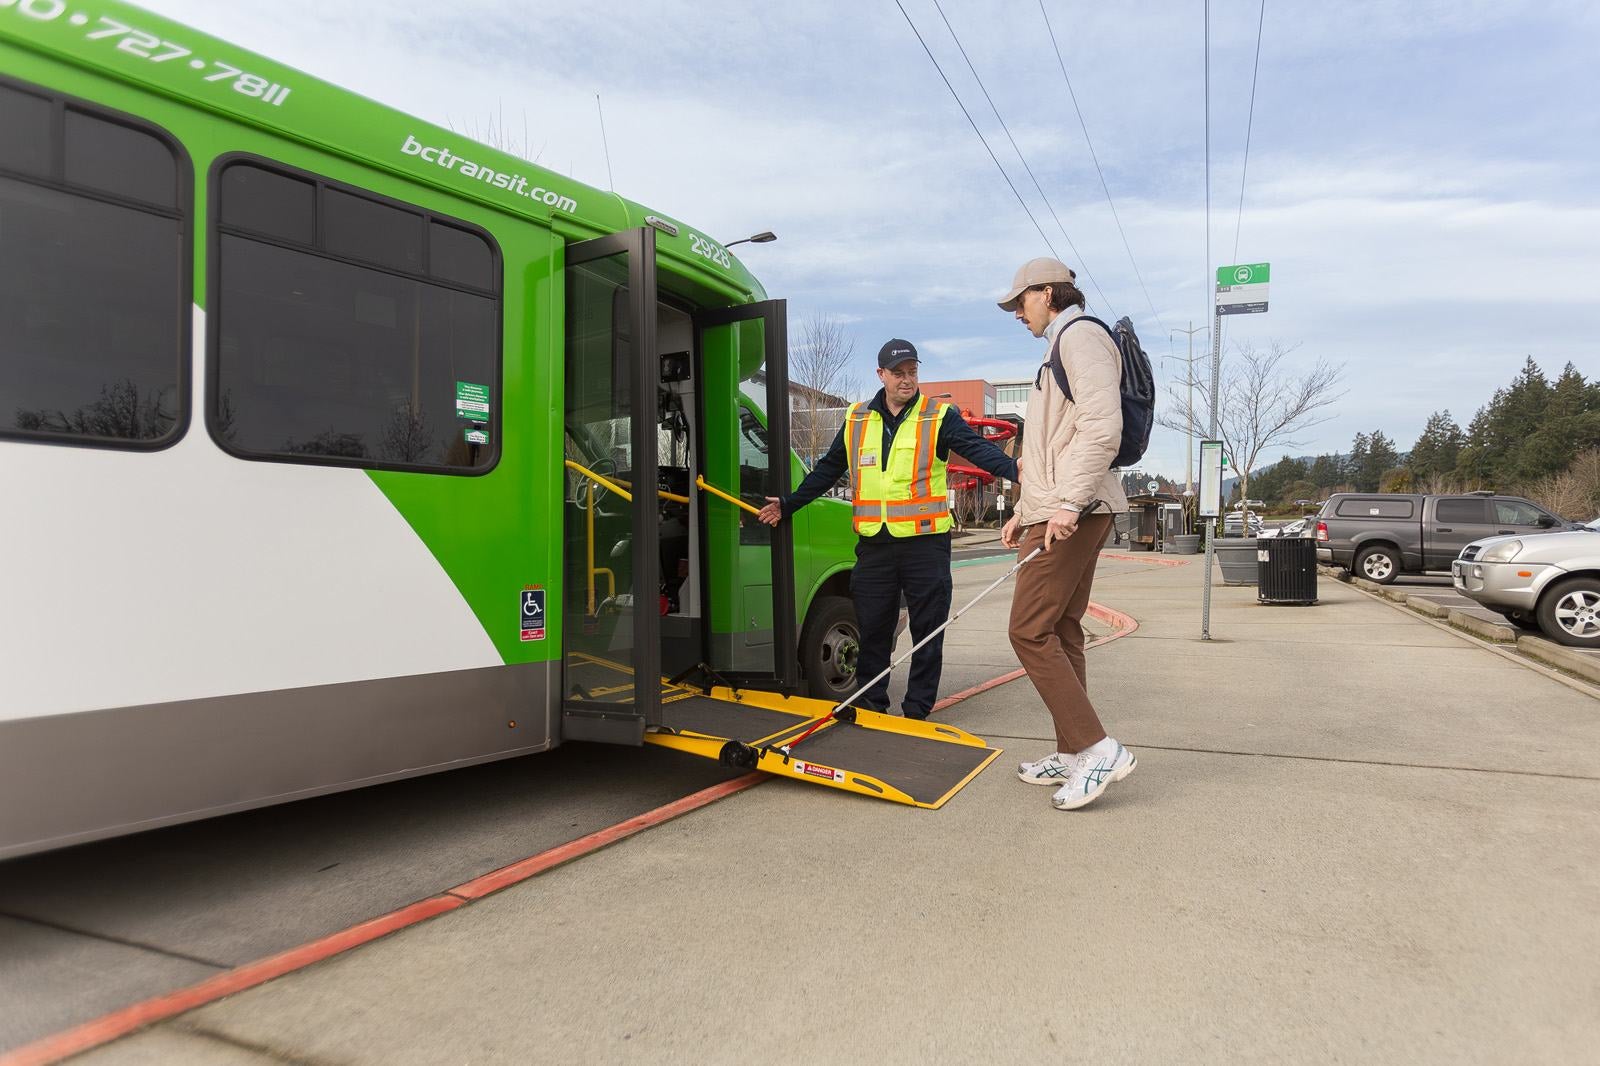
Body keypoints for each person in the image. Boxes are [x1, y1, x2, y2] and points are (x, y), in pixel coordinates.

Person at [758, 340, 1018, 719]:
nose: (907, 380)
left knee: (928, 632)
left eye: (913, 372)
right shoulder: (857, 418)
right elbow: (828, 469)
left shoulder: (938, 416)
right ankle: (870, 704)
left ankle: (917, 711)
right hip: (875, 546)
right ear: (881, 375)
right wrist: (789, 504)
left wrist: (1019, 471)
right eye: (899, 373)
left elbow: (978, 450)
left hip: (925, 545)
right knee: (874, 628)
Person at [995, 258, 1135, 810]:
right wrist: (1024, 511)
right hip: (1058, 507)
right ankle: (1074, 750)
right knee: (1062, 628)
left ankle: (1099, 749)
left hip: (1076, 509)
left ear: (1047, 293)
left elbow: (1103, 427)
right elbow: (1052, 446)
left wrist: (1068, 504)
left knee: (1027, 631)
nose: (1016, 314)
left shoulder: (1080, 337)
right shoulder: (1061, 345)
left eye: (1020, 302)